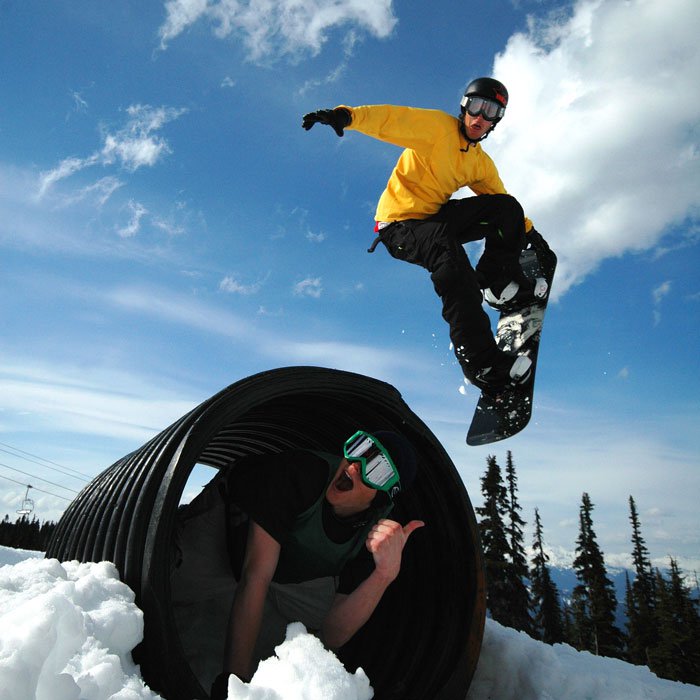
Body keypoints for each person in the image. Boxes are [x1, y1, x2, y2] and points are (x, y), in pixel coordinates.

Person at [302, 78, 553, 394]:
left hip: (436, 218)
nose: (480, 118)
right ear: (464, 107)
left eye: (491, 113)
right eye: (476, 107)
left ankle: (496, 282)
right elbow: (392, 119)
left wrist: (530, 234)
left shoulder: (478, 162)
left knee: (507, 209)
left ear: (497, 121)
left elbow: (502, 204)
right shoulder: (436, 128)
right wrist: (346, 116)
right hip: (398, 226)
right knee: (450, 259)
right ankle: (482, 364)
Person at [204, 429, 423, 700]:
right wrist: (232, 683)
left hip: (288, 565)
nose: (355, 465)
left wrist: (385, 573)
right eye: (360, 448)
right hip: (228, 517)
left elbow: (331, 635)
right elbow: (255, 575)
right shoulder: (302, 473)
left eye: (376, 469)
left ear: (381, 497)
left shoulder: (377, 534)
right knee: (180, 585)